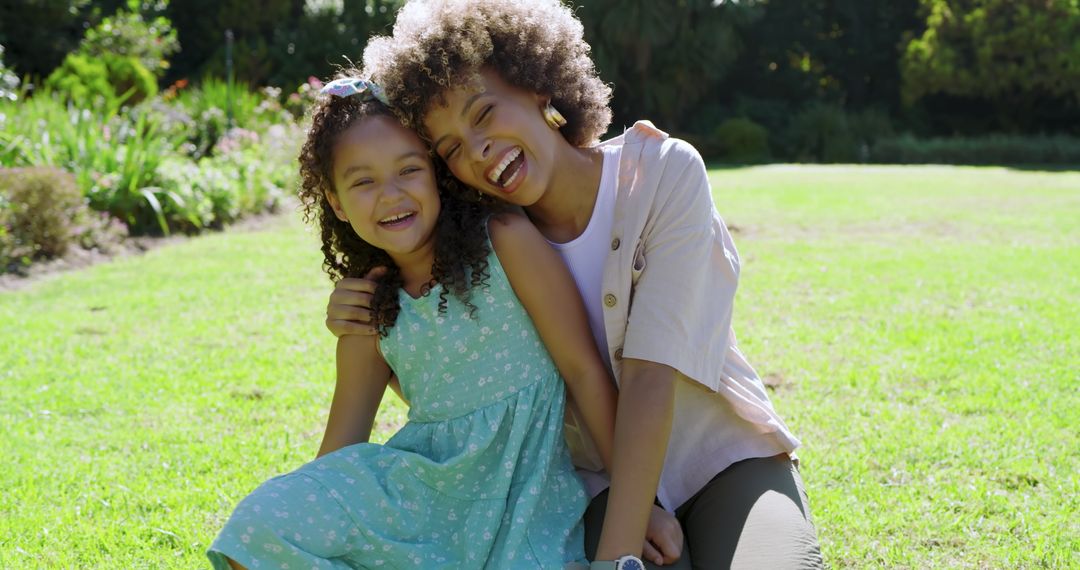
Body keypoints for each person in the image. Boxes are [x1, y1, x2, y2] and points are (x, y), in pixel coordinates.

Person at [325, 1, 825, 568]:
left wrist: (618, 557)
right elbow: (460, 383)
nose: (478, 150)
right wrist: (358, 311)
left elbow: (650, 376)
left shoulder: (661, 175)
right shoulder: (482, 248)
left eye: (484, 114)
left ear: (537, 86)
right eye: (451, 150)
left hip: (720, 460)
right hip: (589, 486)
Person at [207, 75, 618, 569]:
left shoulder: (505, 242)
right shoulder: (371, 309)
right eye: (363, 182)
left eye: (409, 170)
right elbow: (337, 459)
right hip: (419, 505)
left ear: (436, 173)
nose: (391, 195)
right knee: (257, 526)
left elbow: (582, 370)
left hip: (524, 503)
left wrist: (637, 503)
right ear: (335, 202)